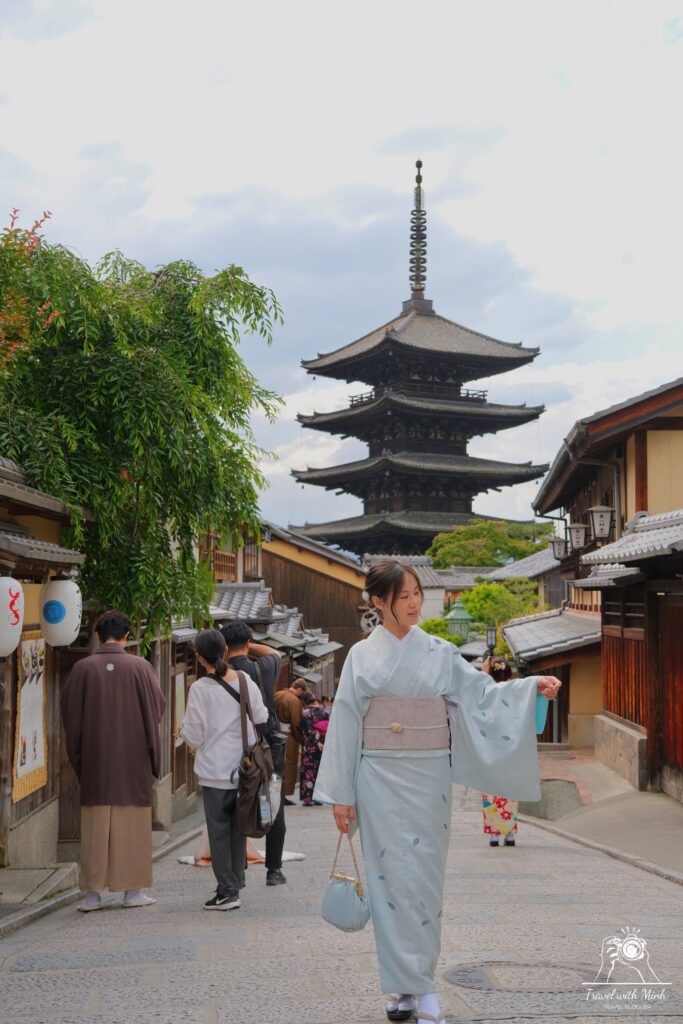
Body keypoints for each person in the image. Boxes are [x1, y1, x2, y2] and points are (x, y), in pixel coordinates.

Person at [314, 560, 561, 1024]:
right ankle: (406, 989)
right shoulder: (362, 657)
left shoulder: (439, 652)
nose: (414, 603)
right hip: (378, 777)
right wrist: (341, 795)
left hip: (428, 777)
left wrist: (531, 689)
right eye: (403, 596)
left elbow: (482, 695)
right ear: (377, 602)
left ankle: (418, 986)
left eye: (416, 594)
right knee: (389, 882)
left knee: (423, 883)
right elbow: (345, 724)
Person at [60, 610, 166, 913]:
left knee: (94, 826)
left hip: (96, 762)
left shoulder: (82, 669)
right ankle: (132, 892)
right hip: (132, 763)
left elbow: (69, 715)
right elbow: (156, 709)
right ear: (126, 636)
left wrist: (81, 756)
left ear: (97, 635)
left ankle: (92, 895)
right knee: (132, 826)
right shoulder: (141, 667)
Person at [180, 629, 268, 911]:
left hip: (214, 770)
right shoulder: (245, 680)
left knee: (219, 831)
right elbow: (261, 716)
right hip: (245, 769)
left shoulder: (200, 688)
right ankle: (233, 883)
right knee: (238, 828)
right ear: (225, 650)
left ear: (200, 658)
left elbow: (193, 735)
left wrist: (193, 737)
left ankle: (228, 891)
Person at [221, 620, 288, 886]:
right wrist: (250, 644)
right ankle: (274, 870)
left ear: (224, 648)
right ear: (248, 643)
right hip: (265, 747)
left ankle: (239, 866)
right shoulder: (262, 670)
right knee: (271, 804)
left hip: (231, 747)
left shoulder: (219, 674)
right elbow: (275, 654)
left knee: (234, 804)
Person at [480, 656, 519, 848]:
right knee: (509, 789)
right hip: (510, 744)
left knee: (491, 790)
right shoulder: (515, 690)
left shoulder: (486, 690)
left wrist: (483, 673)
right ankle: (509, 833)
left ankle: (494, 834)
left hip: (490, 744)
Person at [274, 677, 307, 803]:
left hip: (275, 732)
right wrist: (301, 738)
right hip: (289, 734)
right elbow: (296, 722)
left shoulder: (277, 694)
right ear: (299, 689)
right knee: (289, 764)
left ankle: (276, 791)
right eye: (302, 692)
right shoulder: (294, 700)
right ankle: (284, 794)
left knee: (276, 762)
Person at [299, 691, 328, 806]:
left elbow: (309, 731)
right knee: (319, 771)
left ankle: (308, 797)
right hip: (324, 746)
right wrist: (322, 742)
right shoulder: (324, 712)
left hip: (311, 747)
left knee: (309, 772)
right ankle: (318, 796)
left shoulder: (306, 714)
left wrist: (316, 742)